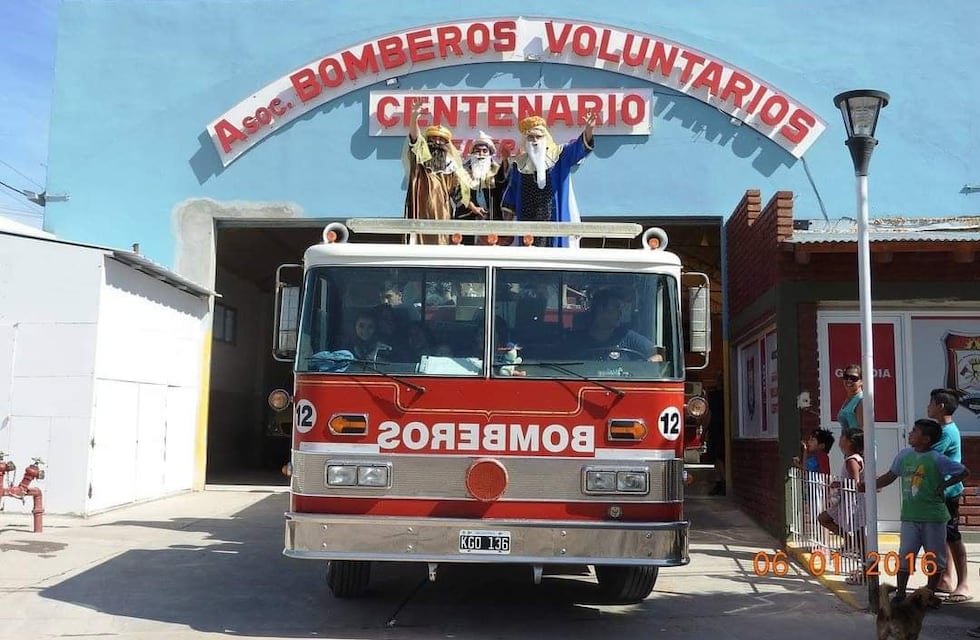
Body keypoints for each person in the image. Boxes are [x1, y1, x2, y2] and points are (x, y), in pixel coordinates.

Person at [858, 418, 969, 604]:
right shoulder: (904, 455)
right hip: (909, 516)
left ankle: (929, 594)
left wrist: (944, 485)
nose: (910, 433)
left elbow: (963, 472)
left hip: (933, 517)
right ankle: (900, 593)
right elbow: (890, 476)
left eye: (915, 431)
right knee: (905, 555)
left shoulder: (937, 459)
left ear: (926, 439)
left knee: (934, 557)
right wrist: (870, 486)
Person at [501, 112, 597, 247]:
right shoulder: (519, 165)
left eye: (538, 137)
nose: (534, 141)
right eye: (530, 137)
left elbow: (579, 149)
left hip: (553, 221)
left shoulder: (559, 156)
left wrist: (589, 130)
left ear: (545, 138)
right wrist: (505, 226)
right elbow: (511, 194)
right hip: (527, 224)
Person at [403, 100, 472, 245]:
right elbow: (414, 138)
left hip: (442, 213)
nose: (437, 143)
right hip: (420, 211)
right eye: (433, 139)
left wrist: (473, 207)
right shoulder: (420, 160)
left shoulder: (450, 167)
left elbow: (458, 193)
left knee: (440, 242)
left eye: (441, 140)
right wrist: (414, 117)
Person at [927, 388, 970, 603]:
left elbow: (929, 453)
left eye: (931, 403)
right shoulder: (942, 429)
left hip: (949, 492)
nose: (928, 406)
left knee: (953, 537)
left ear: (940, 406)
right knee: (943, 536)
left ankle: (963, 583)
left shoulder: (946, 432)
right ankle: (946, 577)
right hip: (939, 491)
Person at [818, 429, 866, 585]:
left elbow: (855, 483)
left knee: (859, 535)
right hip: (846, 501)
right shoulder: (853, 458)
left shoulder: (851, 460)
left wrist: (839, 484)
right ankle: (850, 541)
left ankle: (866, 569)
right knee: (824, 518)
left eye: (842, 437)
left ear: (849, 441)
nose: (839, 440)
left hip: (852, 502)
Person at [574, 287, 662, 361]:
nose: (620, 313)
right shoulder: (577, 341)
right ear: (600, 309)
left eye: (621, 308)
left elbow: (658, 355)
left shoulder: (627, 336)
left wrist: (644, 368)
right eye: (616, 307)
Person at [456, 131, 511, 245]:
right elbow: (459, 193)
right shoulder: (463, 171)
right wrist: (472, 207)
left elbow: (503, 182)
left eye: (484, 151)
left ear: (490, 154)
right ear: (472, 153)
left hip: (490, 219)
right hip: (468, 217)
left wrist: (505, 160)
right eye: (477, 151)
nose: (481, 154)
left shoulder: (495, 170)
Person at [706, 379, 726, 496]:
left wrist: (704, 430)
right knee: (719, 457)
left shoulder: (712, 396)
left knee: (717, 457)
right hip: (723, 427)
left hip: (715, 428)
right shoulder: (728, 394)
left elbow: (708, 414)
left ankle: (721, 482)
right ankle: (721, 482)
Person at [838, 363, 864, 430]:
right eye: (846, 377)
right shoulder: (849, 399)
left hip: (857, 440)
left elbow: (862, 430)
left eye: (853, 378)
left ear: (861, 381)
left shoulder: (861, 400)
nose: (849, 380)